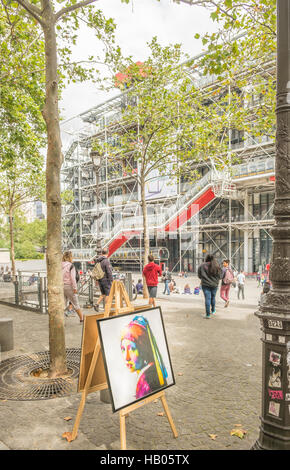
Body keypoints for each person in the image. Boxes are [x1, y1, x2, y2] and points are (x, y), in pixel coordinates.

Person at [120, 315, 168, 399]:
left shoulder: (146, 378)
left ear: (142, 349)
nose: (127, 357)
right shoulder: (153, 370)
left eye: (132, 349)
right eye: (123, 349)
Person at [62, 251, 84, 323]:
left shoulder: (60, 265)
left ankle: (61, 321)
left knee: (63, 304)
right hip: (69, 286)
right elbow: (73, 278)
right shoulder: (71, 266)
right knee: (75, 303)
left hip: (61, 286)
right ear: (70, 257)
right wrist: (75, 288)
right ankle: (82, 319)